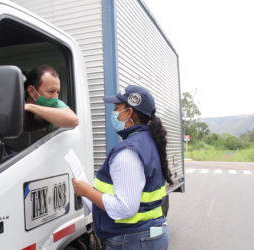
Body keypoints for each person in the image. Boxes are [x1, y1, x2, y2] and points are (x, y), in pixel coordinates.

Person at [72, 85, 173, 250]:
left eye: (116, 108)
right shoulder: (147, 141)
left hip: (132, 240)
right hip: (148, 235)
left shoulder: (128, 151)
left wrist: (86, 191)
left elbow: (125, 208)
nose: (113, 113)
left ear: (129, 113)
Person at [23, 65, 78, 131]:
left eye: (57, 92)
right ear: (31, 91)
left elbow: (73, 120)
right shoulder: (16, 104)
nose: (55, 97)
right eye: (51, 91)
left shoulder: (55, 103)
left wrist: (30, 107)